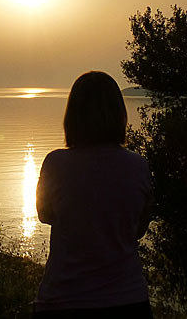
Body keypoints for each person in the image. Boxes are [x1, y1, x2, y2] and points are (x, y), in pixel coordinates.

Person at [33, 71, 153, 318]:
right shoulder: (138, 166)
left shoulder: (55, 163)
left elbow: (44, 215)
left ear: (73, 115)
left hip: (63, 301)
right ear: (120, 114)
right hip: (128, 301)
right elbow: (139, 229)